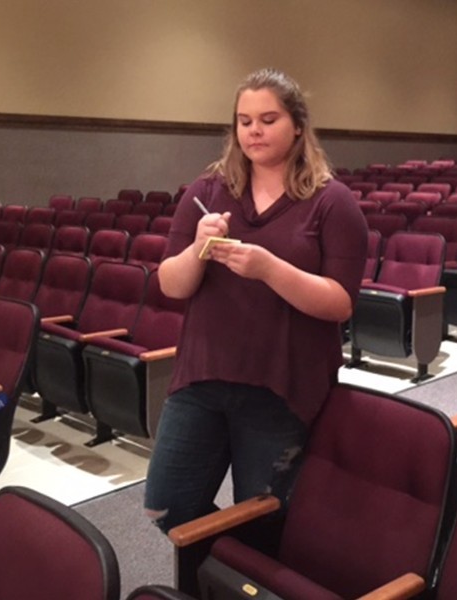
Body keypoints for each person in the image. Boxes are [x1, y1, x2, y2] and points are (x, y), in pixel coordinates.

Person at [144, 68, 368, 533]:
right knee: (166, 507)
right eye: (244, 121)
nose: (254, 131)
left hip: (280, 386)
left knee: (262, 520)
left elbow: (340, 302)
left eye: (268, 119)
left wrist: (269, 269)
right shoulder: (206, 192)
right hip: (202, 377)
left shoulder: (332, 202)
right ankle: (214, 577)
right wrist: (197, 249)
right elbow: (172, 284)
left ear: (298, 126)